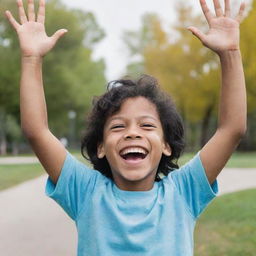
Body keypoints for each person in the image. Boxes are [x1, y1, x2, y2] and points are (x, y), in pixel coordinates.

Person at [5, 0, 246, 255]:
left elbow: (232, 129)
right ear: (100, 147)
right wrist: (31, 59)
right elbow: (36, 131)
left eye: (147, 125)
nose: (133, 132)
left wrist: (230, 53)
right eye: (118, 126)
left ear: (165, 145)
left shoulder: (183, 192)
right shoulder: (86, 192)